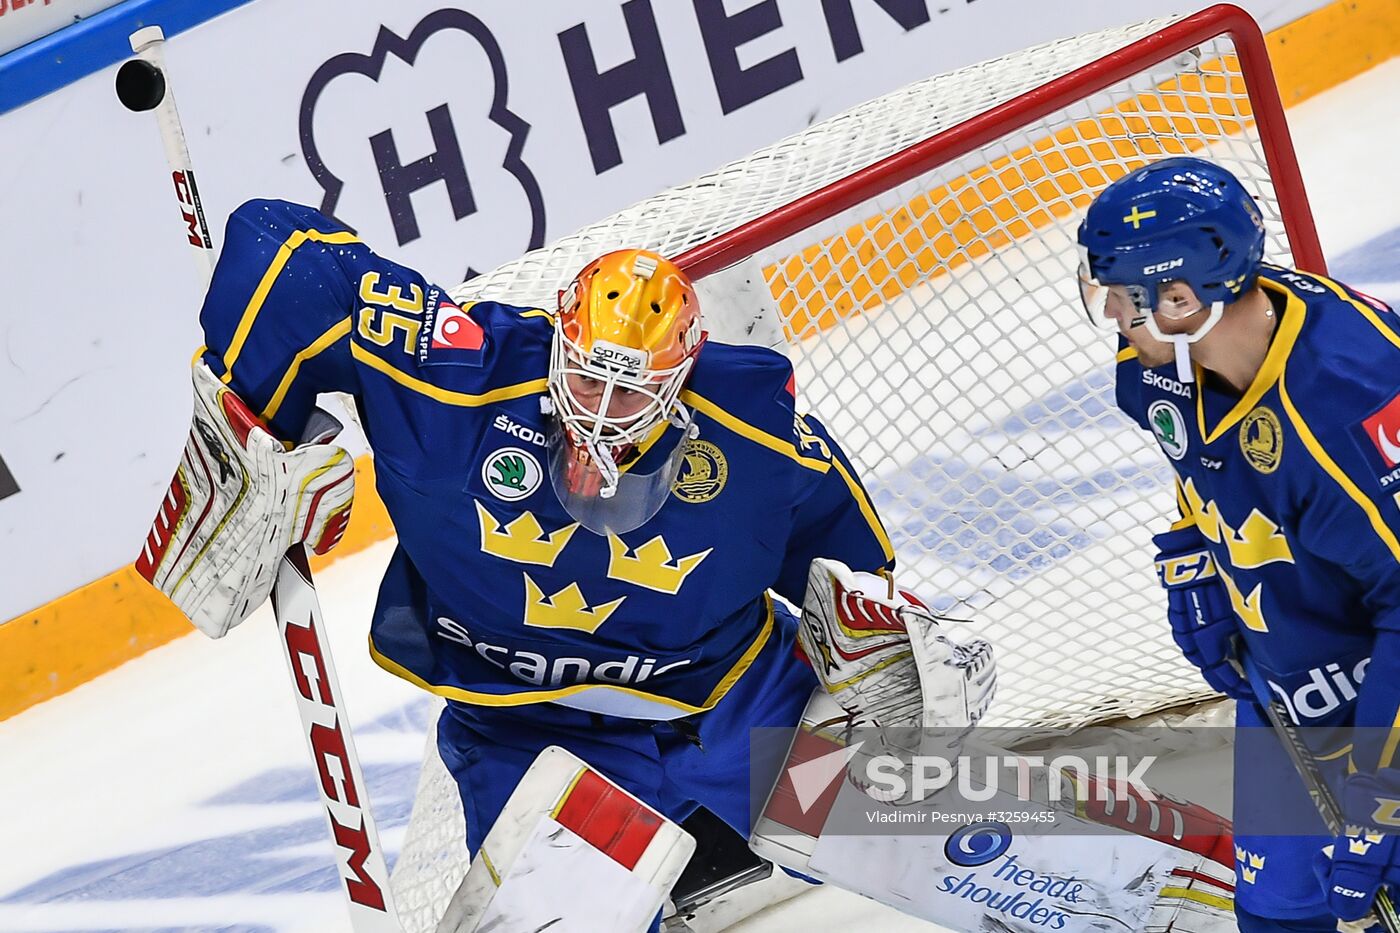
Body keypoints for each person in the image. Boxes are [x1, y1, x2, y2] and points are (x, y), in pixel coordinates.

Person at [135, 199, 995, 927]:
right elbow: (279, 254)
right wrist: (253, 425)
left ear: (681, 383)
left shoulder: (755, 443)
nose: (602, 413)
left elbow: (855, 573)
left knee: (953, 843)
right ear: (557, 344)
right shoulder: (454, 382)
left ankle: (1072, 847)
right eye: (587, 381)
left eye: (630, 393)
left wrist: (878, 646)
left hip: (731, 715)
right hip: (533, 739)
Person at [1079, 156, 1400, 933]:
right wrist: (1193, 551)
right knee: (1278, 912)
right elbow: (1199, 455)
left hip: (1382, 705)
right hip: (1291, 682)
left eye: (1124, 296)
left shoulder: (1343, 407)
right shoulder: (1172, 358)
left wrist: (1382, 797)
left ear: (1182, 297)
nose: (1115, 315)